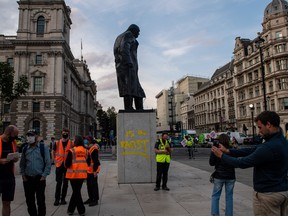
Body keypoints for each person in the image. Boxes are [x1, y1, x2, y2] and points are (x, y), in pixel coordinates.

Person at [212, 111, 288, 216]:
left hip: (268, 194)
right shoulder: (282, 141)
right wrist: (228, 151)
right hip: (282, 191)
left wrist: (221, 156)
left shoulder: (269, 147)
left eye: (260, 127)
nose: (259, 131)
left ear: (269, 125)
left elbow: (243, 163)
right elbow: (253, 149)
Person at [113, 24, 146, 110]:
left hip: (122, 66)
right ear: (133, 30)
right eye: (138, 32)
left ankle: (132, 108)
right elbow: (125, 47)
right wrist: (128, 62)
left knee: (131, 88)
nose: (139, 34)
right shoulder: (128, 35)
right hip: (128, 66)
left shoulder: (119, 37)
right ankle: (132, 108)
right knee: (131, 88)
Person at [20, 129, 51, 216]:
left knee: (40, 200)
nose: (29, 137)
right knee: (29, 201)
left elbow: (48, 162)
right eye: (28, 135)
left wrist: (44, 176)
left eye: (32, 135)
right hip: (28, 178)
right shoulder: (25, 148)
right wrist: (23, 175)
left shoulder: (43, 147)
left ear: (36, 137)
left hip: (39, 178)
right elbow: (22, 163)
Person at [209, 134, 235, 216]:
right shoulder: (231, 150)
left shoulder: (216, 150)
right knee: (229, 197)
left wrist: (212, 152)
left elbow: (211, 163)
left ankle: (215, 214)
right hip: (230, 176)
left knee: (215, 196)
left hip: (219, 176)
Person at [65, 135, 89, 216]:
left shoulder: (72, 150)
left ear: (75, 141)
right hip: (82, 174)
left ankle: (81, 210)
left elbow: (67, 164)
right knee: (76, 191)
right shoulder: (86, 150)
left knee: (76, 192)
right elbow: (88, 162)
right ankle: (70, 209)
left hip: (73, 174)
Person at [0, 125, 19, 216]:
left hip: (9, 177)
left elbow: (15, 153)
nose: (15, 138)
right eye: (15, 135)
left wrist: (15, 158)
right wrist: (0, 161)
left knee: (7, 203)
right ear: (8, 133)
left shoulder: (13, 142)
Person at [53, 128, 74, 206]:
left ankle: (63, 199)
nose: (65, 134)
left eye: (66, 133)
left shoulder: (71, 143)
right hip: (59, 165)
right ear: (61, 133)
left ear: (68, 134)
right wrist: (54, 160)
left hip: (67, 166)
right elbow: (53, 151)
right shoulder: (57, 143)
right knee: (59, 183)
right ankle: (57, 199)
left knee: (65, 183)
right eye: (64, 132)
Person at [83, 136, 100, 206]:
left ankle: (95, 200)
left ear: (90, 141)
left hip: (93, 171)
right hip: (88, 170)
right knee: (89, 185)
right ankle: (90, 198)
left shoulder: (94, 149)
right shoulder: (89, 148)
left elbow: (96, 161)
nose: (85, 141)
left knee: (94, 185)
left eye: (86, 140)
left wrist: (95, 171)